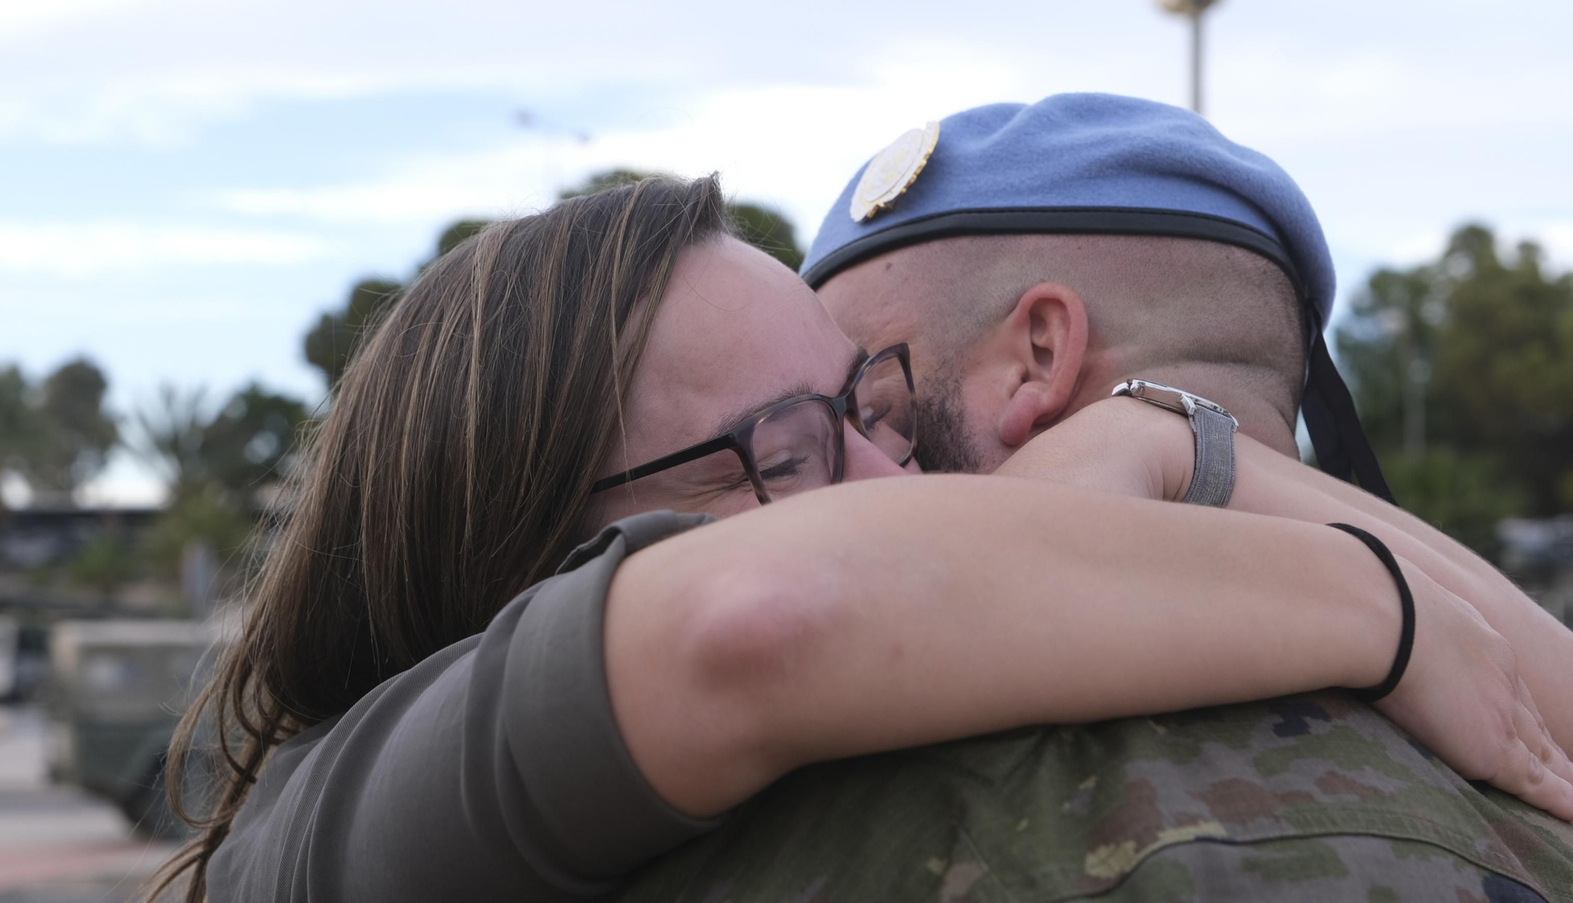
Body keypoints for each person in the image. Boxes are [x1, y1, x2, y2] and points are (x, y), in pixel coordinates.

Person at [149, 175, 1566, 903]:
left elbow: (1546, 724)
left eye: (862, 404)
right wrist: (1380, 604)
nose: (889, 468)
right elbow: (752, 615)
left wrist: (1171, 448)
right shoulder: (325, 821)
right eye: (786, 446)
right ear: (508, 547)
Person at [613, 96, 1573, 902]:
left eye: (878, 401)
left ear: (1041, 353)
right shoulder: (1523, 739)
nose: (866, 464)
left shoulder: (834, 795)